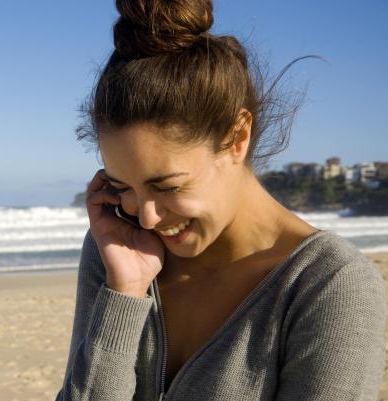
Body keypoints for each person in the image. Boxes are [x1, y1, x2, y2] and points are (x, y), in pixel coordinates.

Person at [56, 1, 386, 400]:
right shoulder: (118, 251)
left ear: (236, 137)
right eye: (123, 187)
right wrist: (124, 293)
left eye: (167, 187)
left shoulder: (327, 285)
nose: (145, 217)